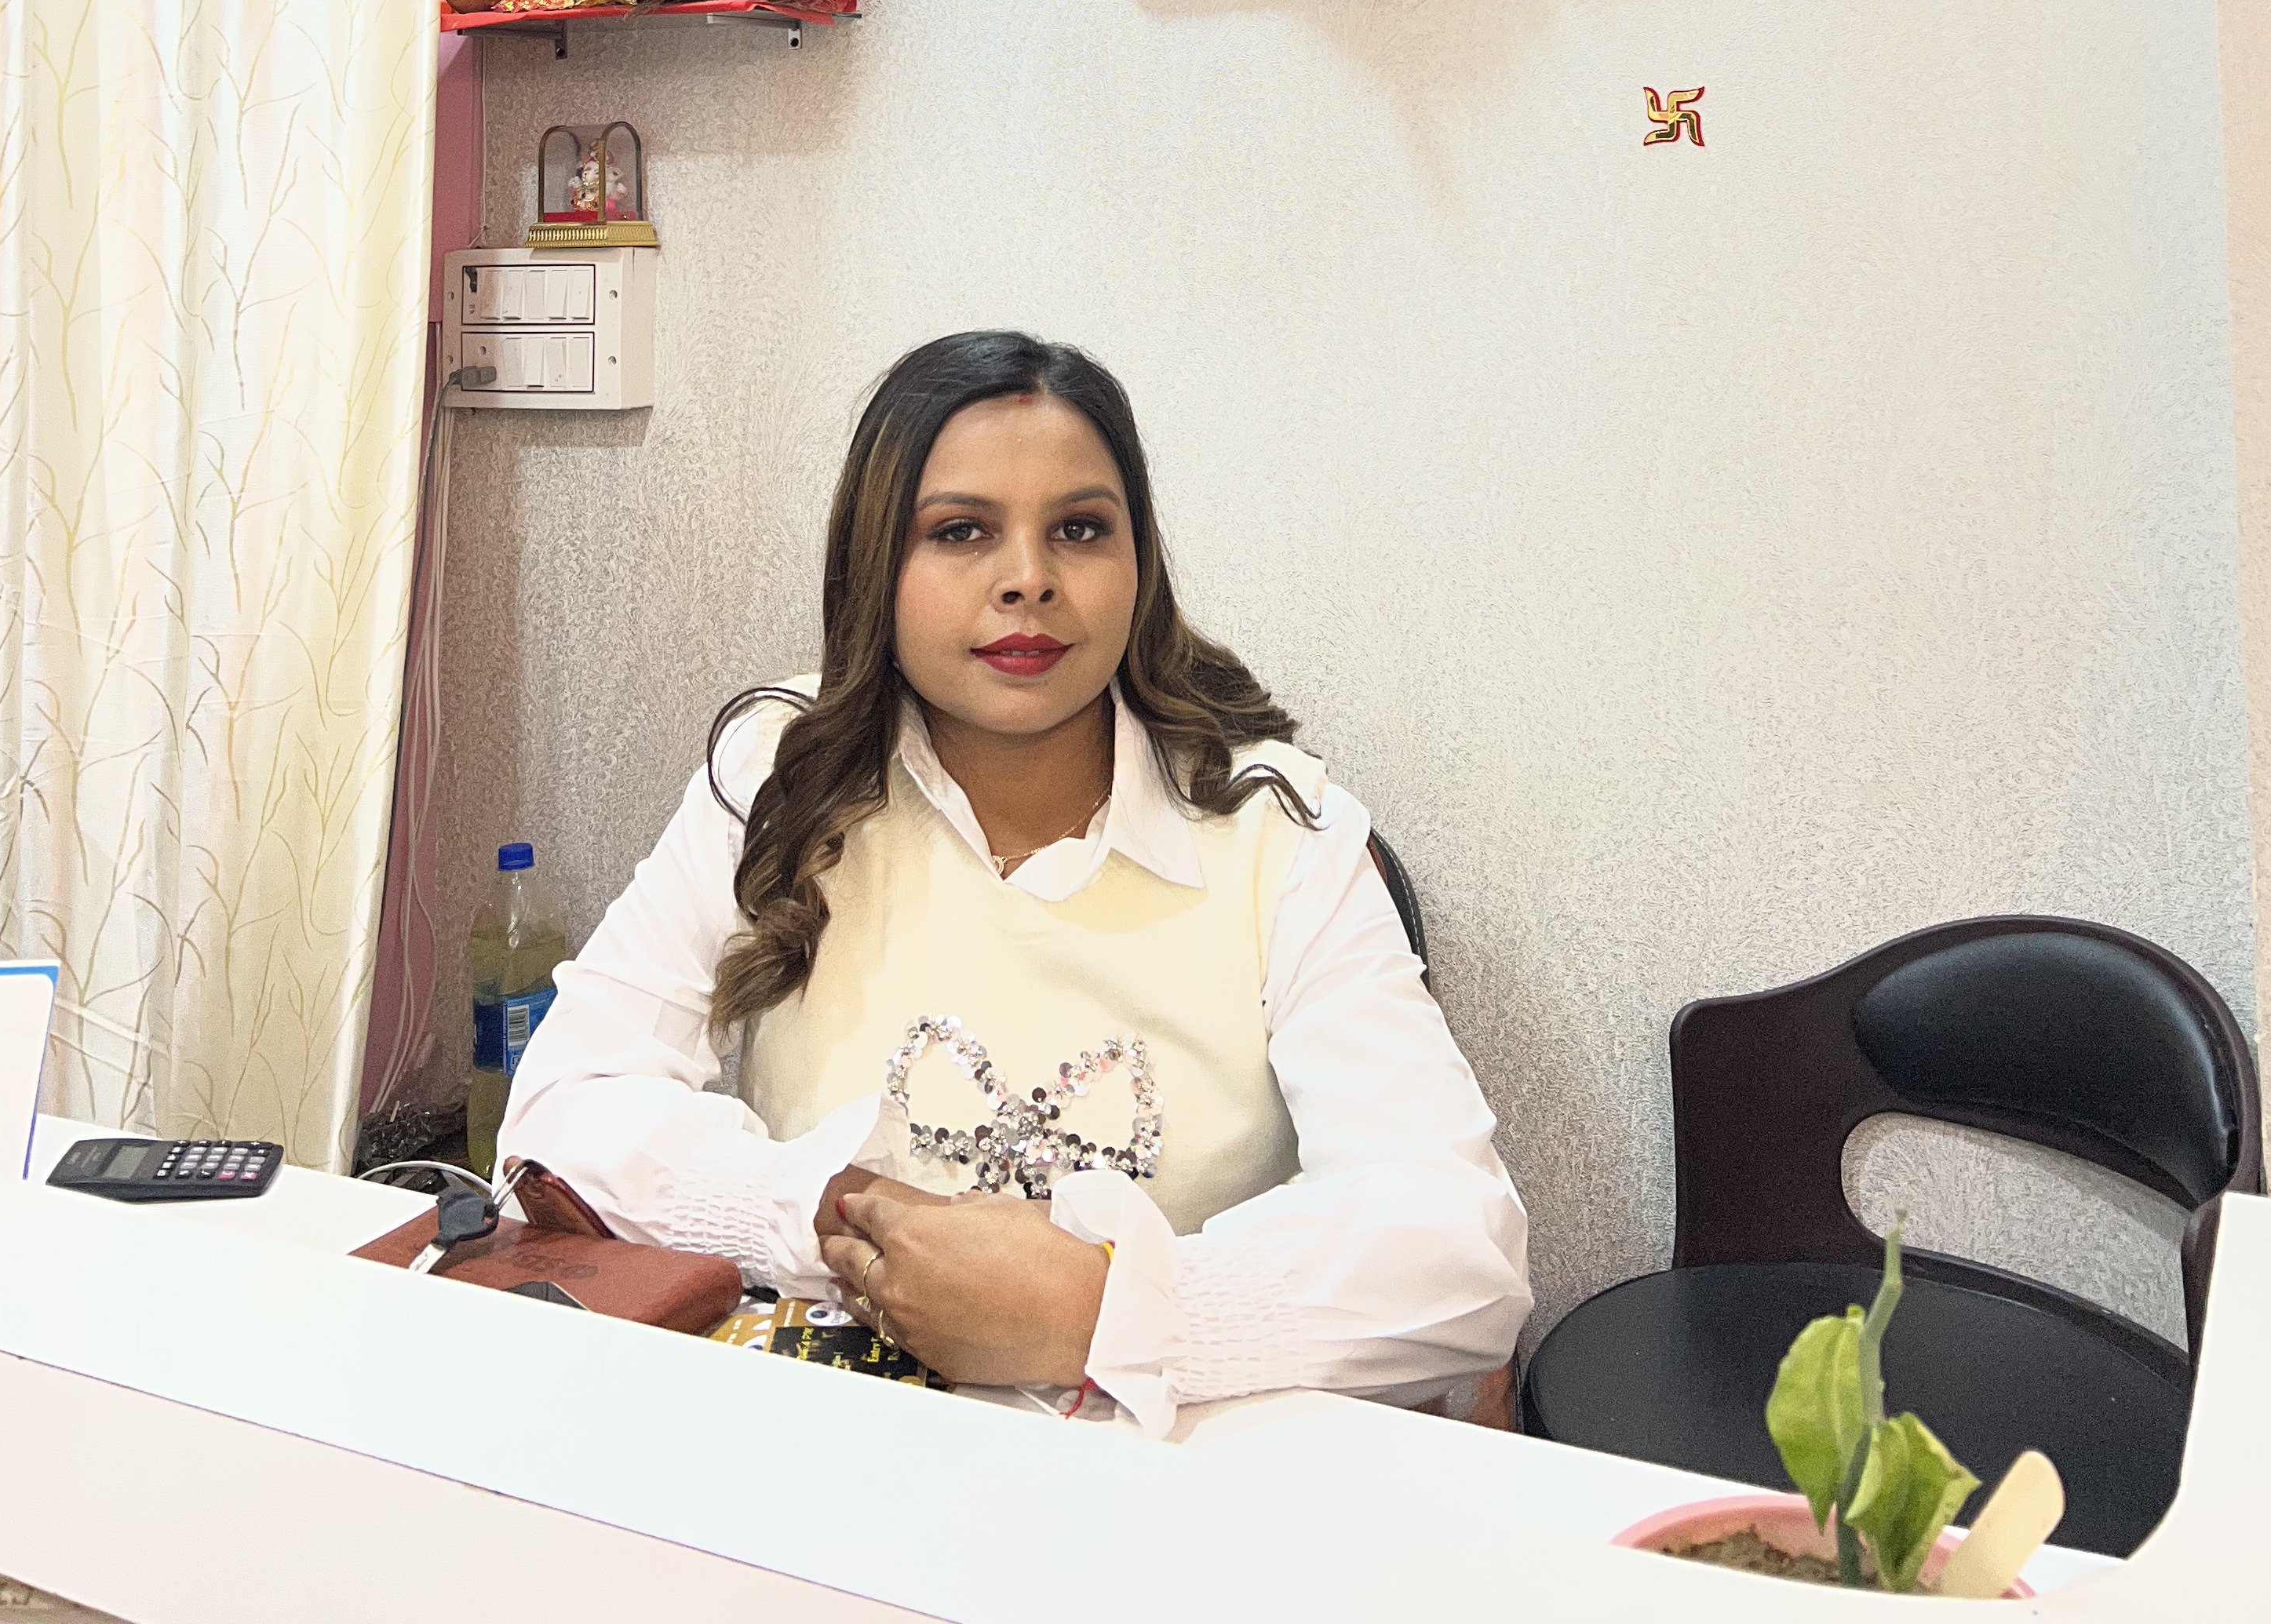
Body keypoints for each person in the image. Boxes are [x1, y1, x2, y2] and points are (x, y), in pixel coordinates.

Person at [498, 331, 1532, 1432]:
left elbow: (1457, 1250)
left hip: (1167, 1467)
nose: (1028, 578)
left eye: (1079, 529)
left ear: (1139, 568)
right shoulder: (778, 776)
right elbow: (562, 1113)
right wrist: (843, 1220)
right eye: (961, 532)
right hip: (834, 1444)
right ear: (875, 566)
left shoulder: (1280, 831)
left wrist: (1103, 1309)